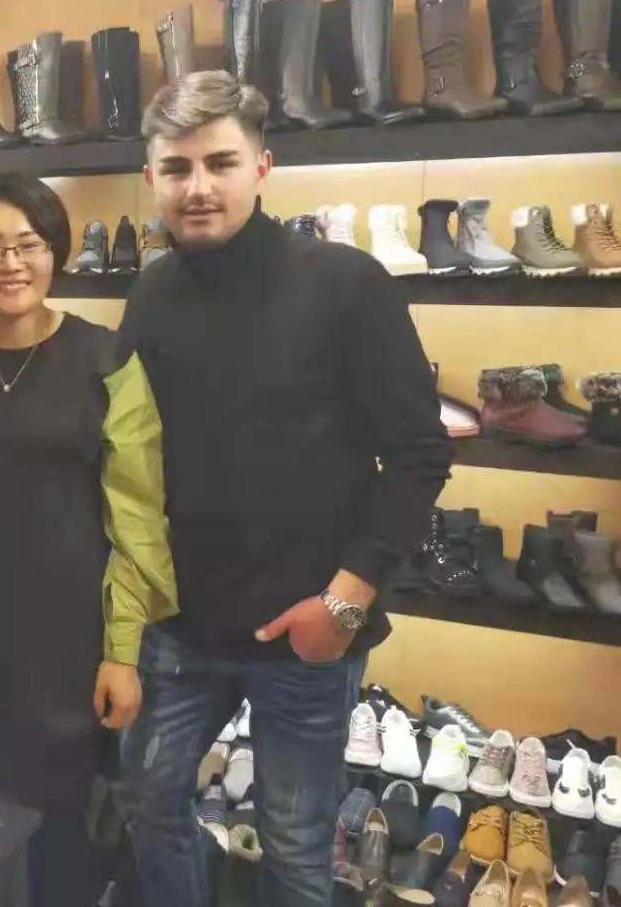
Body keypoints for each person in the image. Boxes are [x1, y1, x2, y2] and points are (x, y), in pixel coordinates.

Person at [116, 72, 453, 907]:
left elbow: (418, 453)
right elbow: (133, 457)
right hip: (179, 626)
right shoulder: (152, 292)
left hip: (308, 629)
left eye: (220, 163)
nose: (198, 187)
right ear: (151, 177)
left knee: (298, 845)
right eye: (177, 167)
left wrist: (345, 601)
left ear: (262, 167)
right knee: (149, 805)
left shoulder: (347, 283)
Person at [0, 172, 176, 907]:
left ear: (55, 252)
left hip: (64, 641)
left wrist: (123, 652)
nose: (10, 263)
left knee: (56, 838)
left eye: (28, 244)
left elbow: (139, 517)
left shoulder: (106, 359)